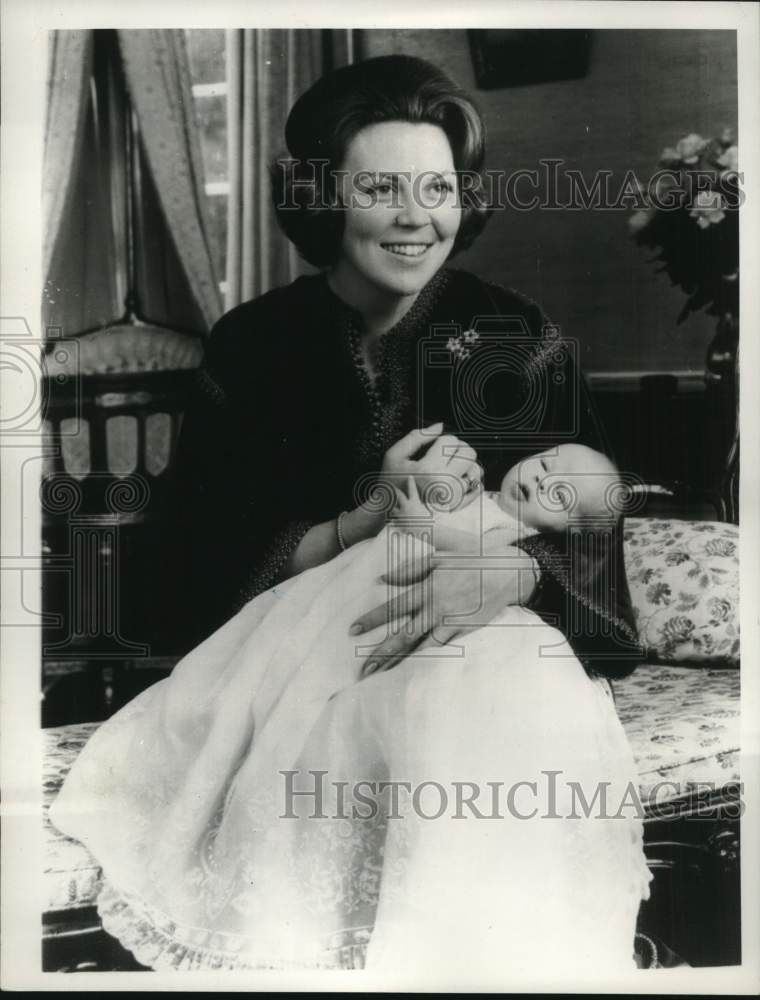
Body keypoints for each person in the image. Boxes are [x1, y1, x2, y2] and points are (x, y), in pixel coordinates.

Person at [51, 54, 651, 976]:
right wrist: (360, 524)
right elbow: (185, 559)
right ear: (324, 199)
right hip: (296, 663)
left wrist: (512, 570)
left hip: (490, 665)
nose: (416, 218)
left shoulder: (518, 336)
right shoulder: (254, 345)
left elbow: (604, 532)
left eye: (438, 188)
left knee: (481, 697)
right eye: (380, 188)